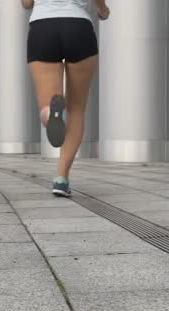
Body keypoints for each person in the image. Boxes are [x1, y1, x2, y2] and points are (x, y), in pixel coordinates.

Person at [22, 0, 110, 197]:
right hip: (78, 27)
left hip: (42, 28)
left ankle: (50, 113)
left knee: (49, 103)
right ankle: (61, 179)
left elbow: (27, 3)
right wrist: (103, 11)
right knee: (76, 108)